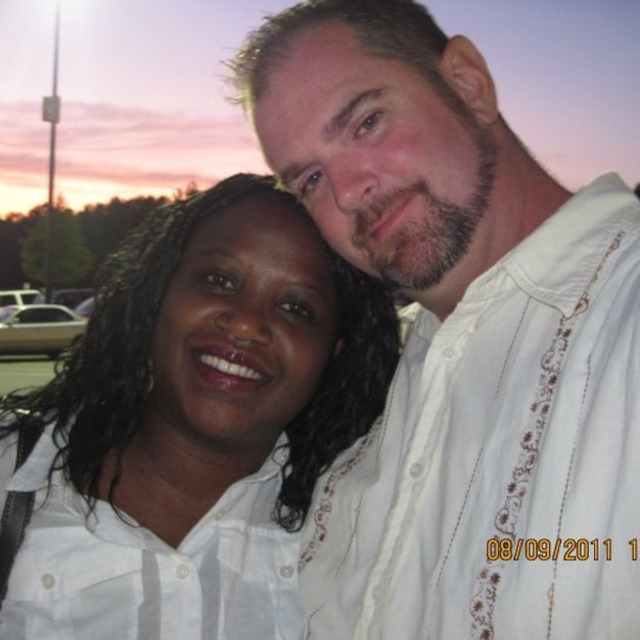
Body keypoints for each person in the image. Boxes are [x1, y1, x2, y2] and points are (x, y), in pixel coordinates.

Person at [230, 2, 640, 638]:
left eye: (366, 122)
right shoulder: (373, 413)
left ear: (468, 84)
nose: (347, 194)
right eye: (310, 179)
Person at [0, 173, 400, 639]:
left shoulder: (359, 533)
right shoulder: (14, 478)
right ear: (159, 292)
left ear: (333, 350)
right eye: (219, 280)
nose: (247, 325)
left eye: (296, 308)